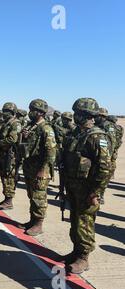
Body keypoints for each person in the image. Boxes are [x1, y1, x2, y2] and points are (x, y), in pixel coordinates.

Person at [61, 98, 111, 274]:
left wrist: (96, 192)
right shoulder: (76, 133)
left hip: (88, 190)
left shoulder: (98, 137)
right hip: (74, 187)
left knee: (85, 223)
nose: (75, 116)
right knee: (75, 220)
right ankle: (76, 251)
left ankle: (84, 258)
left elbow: (105, 168)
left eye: (78, 114)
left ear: (88, 115)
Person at [18, 99, 56, 236]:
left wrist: (43, 170)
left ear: (40, 113)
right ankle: (32, 220)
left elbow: (51, 153)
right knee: (32, 195)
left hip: (40, 170)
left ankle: (38, 224)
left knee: (39, 197)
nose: (30, 112)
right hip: (30, 167)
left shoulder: (46, 129)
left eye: (33, 110)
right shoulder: (31, 126)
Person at [0, 103, 20, 210]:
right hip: (3, 154)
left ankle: (9, 200)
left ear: (12, 112)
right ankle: (6, 198)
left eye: (7, 112)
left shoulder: (15, 124)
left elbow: (12, 139)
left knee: (9, 177)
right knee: (4, 176)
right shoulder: (4, 123)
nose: (5, 113)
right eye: (4, 111)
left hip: (11, 155)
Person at [106, 115, 124, 179]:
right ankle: (111, 175)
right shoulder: (120, 128)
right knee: (113, 161)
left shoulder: (108, 127)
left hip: (110, 147)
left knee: (107, 161)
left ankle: (107, 175)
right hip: (116, 147)